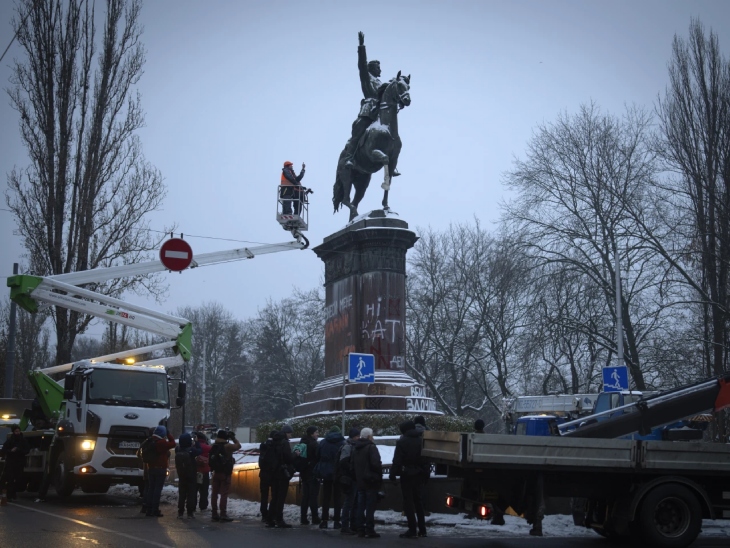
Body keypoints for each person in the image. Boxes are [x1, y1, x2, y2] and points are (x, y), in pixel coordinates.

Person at [390, 420, 429, 538]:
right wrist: (425, 474)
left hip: (406, 475)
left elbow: (397, 460)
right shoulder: (421, 440)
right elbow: (426, 459)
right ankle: (422, 529)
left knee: (408, 502)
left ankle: (412, 529)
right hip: (419, 474)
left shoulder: (402, 442)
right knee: (419, 502)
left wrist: (393, 474)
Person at [352, 427, 382, 538]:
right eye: (372, 435)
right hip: (371, 481)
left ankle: (360, 529)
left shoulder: (356, 447)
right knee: (370, 507)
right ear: (369, 436)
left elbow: (352, 465)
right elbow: (376, 464)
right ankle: (369, 529)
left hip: (360, 481)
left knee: (361, 506)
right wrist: (378, 476)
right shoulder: (371, 447)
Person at [266, 424, 296, 528]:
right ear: (286, 433)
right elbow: (288, 458)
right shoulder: (284, 443)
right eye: (290, 433)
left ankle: (270, 519)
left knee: (274, 497)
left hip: (273, 473)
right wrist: (295, 454)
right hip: (282, 473)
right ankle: (279, 519)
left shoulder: (273, 441)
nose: (290, 436)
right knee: (281, 497)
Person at [316, 425, 345, 529]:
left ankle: (324, 520)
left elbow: (318, 456)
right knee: (337, 497)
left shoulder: (323, 442)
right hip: (338, 472)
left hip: (326, 472)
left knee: (326, 498)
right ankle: (337, 521)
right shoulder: (342, 442)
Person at [144, 425, 176, 517]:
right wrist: (169, 434)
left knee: (151, 489)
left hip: (151, 468)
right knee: (157, 490)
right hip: (160, 469)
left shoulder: (150, 440)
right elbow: (173, 443)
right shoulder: (162, 442)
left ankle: (148, 509)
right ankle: (155, 509)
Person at [210, 429, 241, 522]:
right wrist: (233, 438)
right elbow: (239, 446)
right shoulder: (227, 446)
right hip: (225, 473)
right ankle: (223, 514)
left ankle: (214, 513)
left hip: (216, 473)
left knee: (214, 493)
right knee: (224, 494)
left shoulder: (214, 445)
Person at [336, 428, 360, 536]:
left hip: (353, 478)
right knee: (349, 502)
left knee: (354, 502)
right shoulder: (348, 446)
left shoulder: (353, 445)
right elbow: (343, 462)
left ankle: (353, 525)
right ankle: (345, 525)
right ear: (353, 437)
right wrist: (352, 470)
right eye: (357, 436)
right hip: (349, 478)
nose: (359, 438)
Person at [298, 425, 321, 525]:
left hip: (303, 472)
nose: (318, 434)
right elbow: (318, 457)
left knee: (305, 497)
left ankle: (303, 518)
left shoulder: (302, 442)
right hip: (312, 473)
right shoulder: (313, 444)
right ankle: (315, 518)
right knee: (313, 496)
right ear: (312, 434)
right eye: (316, 432)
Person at [175, 432, 201, 519]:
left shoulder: (177, 449)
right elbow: (200, 450)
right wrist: (196, 442)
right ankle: (190, 512)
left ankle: (180, 512)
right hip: (191, 475)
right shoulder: (191, 450)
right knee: (191, 494)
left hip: (181, 475)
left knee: (182, 494)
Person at [0, 425, 29, 501]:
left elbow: (27, 450)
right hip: (11, 462)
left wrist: (19, 450)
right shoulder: (10, 441)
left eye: (18, 431)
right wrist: (11, 451)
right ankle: (10, 495)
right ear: (13, 432)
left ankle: (14, 493)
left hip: (20, 462)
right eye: (16, 431)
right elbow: (4, 450)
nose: (17, 433)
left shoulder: (23, 440)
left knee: (18, 478)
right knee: (10, 479)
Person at [258, 430, 278, 523]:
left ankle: (264, 514)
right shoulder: (275, 446)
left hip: (263, 473)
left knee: (264, 495)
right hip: (273, 474)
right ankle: (271, 513)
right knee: (274, 495)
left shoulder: (263, 446)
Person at [194, 431, 211, 512]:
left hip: (194, 471)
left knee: (194, 489)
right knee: (204, 490)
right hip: (204, 471)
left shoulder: (193, 446)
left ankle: (192, 505)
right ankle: (203, 506)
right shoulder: (207, 447)